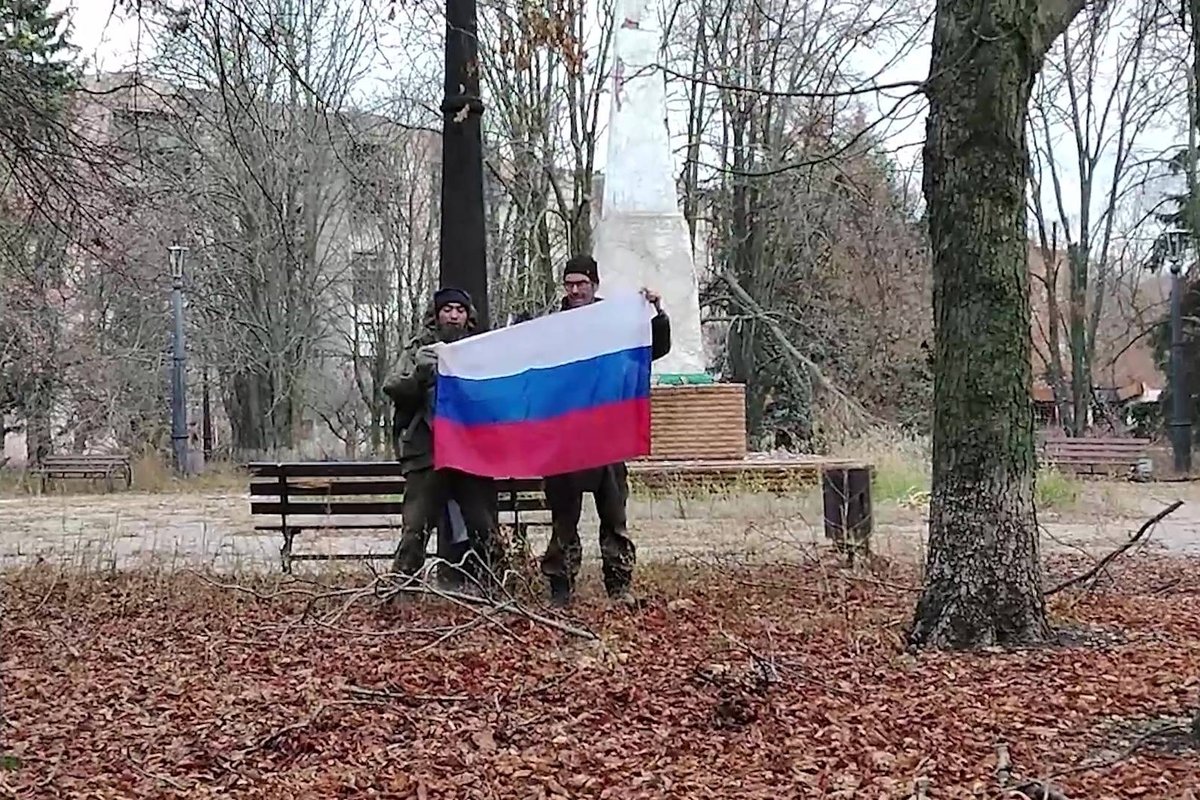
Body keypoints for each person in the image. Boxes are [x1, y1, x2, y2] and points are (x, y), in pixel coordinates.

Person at [541, 254, 672, 608]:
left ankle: (619, 586)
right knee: (563, 521)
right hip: (565, 441)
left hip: (608, 438)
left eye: (582, 283)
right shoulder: (551, 328)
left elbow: (653, 348)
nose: (575, 290)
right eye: (569, 284)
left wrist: (657, 313)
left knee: (614, 518)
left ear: (594, 285)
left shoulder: (615, 324)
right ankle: (560, 589)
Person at [383, 287, 505, 590]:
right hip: (428, 450)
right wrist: (421, 375)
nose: (453, 315)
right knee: (416, 529)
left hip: (470, 451)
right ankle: (403, 591)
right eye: (447, 309)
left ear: (468, 316)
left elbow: (498, 396)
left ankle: (496, 589)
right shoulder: (418, 349)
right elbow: (393, 387)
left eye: (460, 310)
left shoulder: (480, 349)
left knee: (484, 526)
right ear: (436, 314)